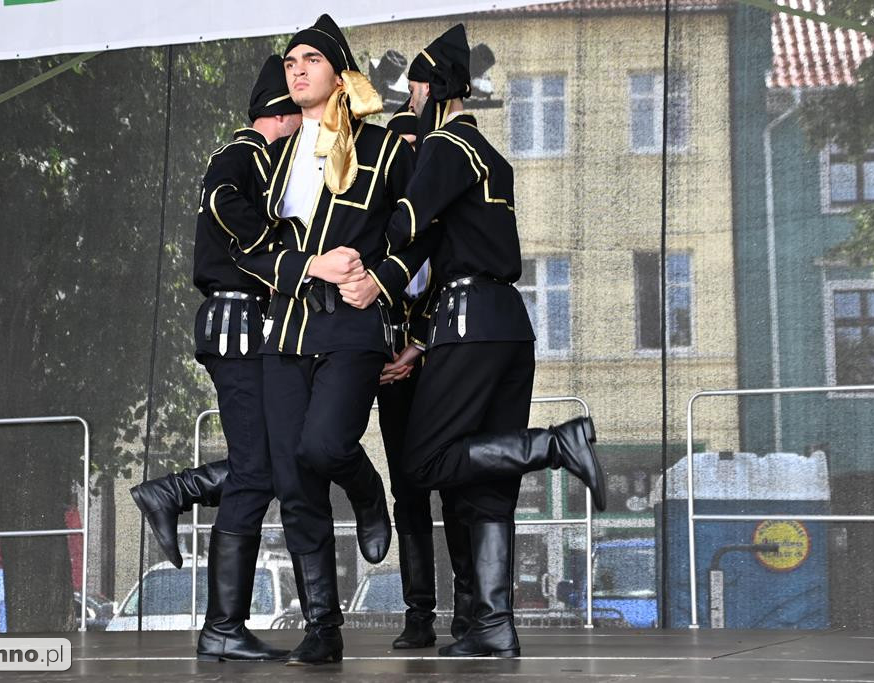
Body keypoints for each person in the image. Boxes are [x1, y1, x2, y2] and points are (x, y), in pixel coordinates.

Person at [338, 25, 608, 658]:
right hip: (507, 322)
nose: (408, 103)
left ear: (431, 90)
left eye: (412, 94)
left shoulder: (444, 147)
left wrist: (350, 253)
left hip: (466, 319)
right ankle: (492, 624)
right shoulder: (492, 156)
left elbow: (405, 221)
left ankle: (554, 443)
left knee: (422, 463)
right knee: (487, 484)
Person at [225, 14, 432, 665]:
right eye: (289, 61)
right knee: (293, 474)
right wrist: (303, 267)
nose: (296, 68)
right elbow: (248, 250)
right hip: (285, 327)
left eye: (309, 58)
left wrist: (385, 283)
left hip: (353, 325)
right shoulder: (272, 158)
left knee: (323, 445)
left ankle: (366, 487)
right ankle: (323, 624)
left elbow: (426, 230)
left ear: (339, 74)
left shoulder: (387, 149)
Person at [129, 55, 301, 662]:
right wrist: (290, 245)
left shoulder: (254, 161)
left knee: (276, 463)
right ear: (281, 113)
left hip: (249, 324)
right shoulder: (241, 158)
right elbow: (233, 214)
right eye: (300, 113)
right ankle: (223, 626)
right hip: (238, 323)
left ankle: (176, 492)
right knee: (259, 470)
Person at [377, 102, 473, 649]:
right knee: (407, 493)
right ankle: (419, 614)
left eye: (416, 148)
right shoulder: (382, 226)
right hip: (395, 378)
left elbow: (462, 288)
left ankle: (466, 611)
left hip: (445, 370)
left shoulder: (449, 217)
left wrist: (420, 346)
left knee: (456, 488)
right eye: (399, 150)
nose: (408, 158)